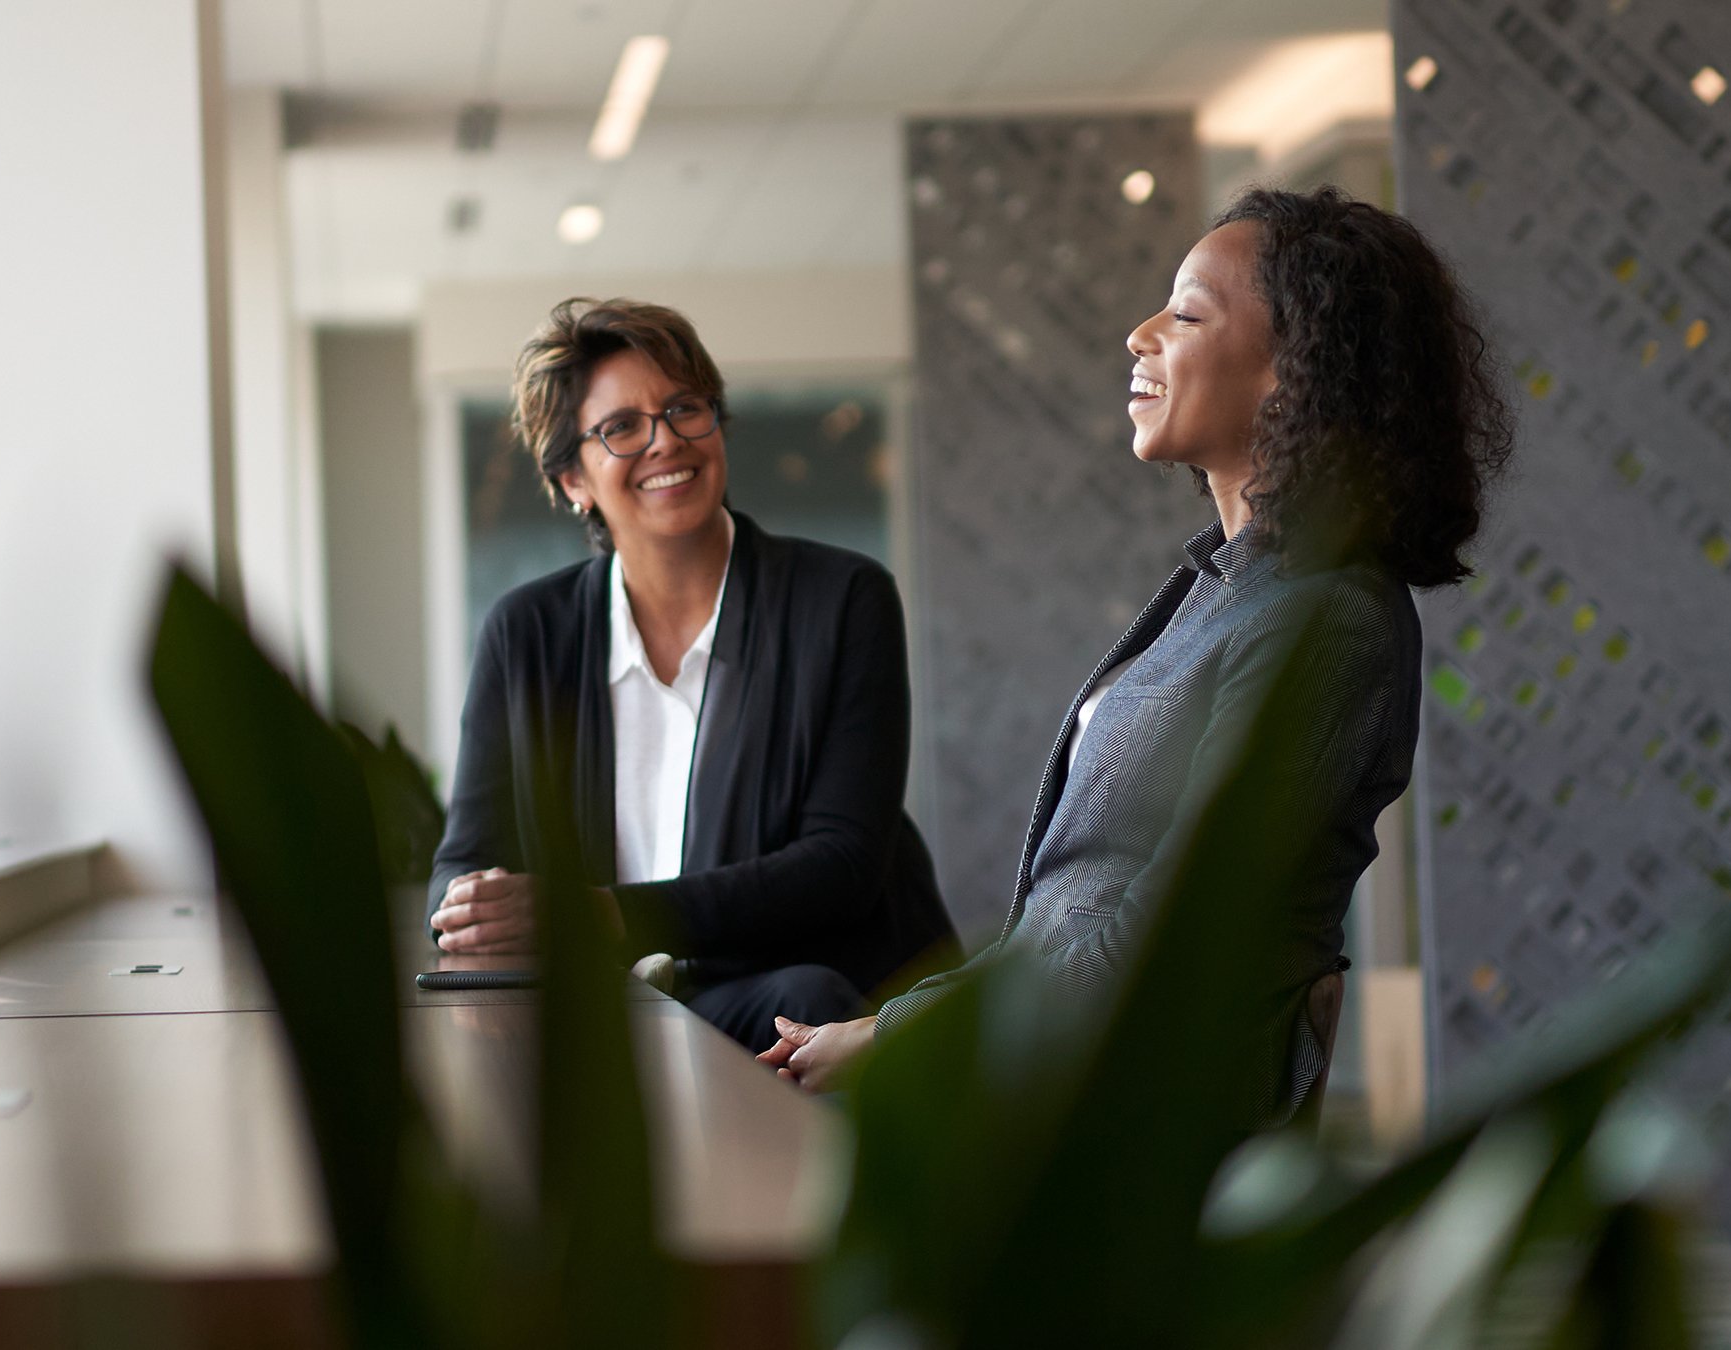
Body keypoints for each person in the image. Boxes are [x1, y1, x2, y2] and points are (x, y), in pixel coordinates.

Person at [760, 187, 1513, 1117]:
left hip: (1154, 1126)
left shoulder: (1327, 619)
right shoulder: (1224, 586)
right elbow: (1068, 910)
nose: (1139, 334)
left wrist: (897, 1033)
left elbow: (1171, 935)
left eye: (1187, 313)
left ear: (1296, 370)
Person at [427, 297, 960, 1053]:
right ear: (573, 477)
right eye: (621, 428)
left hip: (818, 1003)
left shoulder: (840, 599)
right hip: (622, 1016)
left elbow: (841, 866)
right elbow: (461, 862)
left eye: (685, 409)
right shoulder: (527, 632)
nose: (665, 441)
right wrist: (472, 910)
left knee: (803, 997)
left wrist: (606, 915)